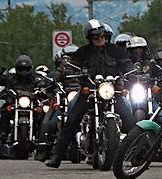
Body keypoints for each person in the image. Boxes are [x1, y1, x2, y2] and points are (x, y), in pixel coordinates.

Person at [46, 19, 133, 168]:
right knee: (72, 119)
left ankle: (140, 154)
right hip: (89, 92)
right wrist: (73, 73)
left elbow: (126, 63)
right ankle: (57, 156)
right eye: (96, 37)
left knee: (129, 119)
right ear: (90, 38)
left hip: (112, 92)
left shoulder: (116, 51)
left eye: (102, 36)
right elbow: (72, 67)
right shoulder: (82, 52)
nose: (100, 39)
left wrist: (131, 72)